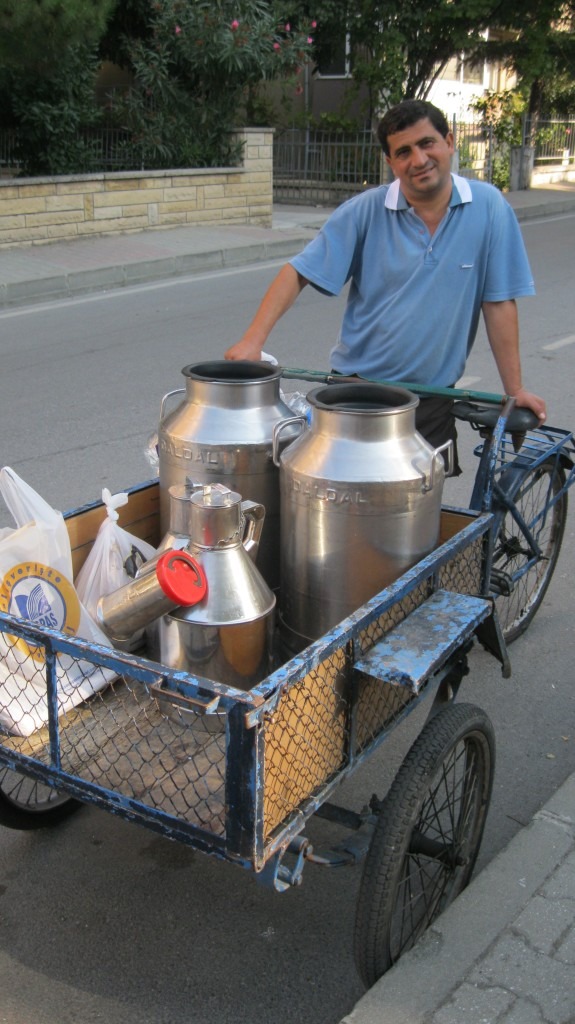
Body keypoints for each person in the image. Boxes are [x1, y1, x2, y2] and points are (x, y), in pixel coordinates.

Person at [225, 99, 546, 468]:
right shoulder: (365, 210)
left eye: (427, 143)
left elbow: (499, 302)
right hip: (356, 392)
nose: (419, 160)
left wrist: (515, 389)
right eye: (404, 152)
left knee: (418, 515)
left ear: (450, 141)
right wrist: (253, 341)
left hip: (432, 397)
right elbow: (299, 272)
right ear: (391, 163)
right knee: (336, 501)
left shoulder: (489, 207)